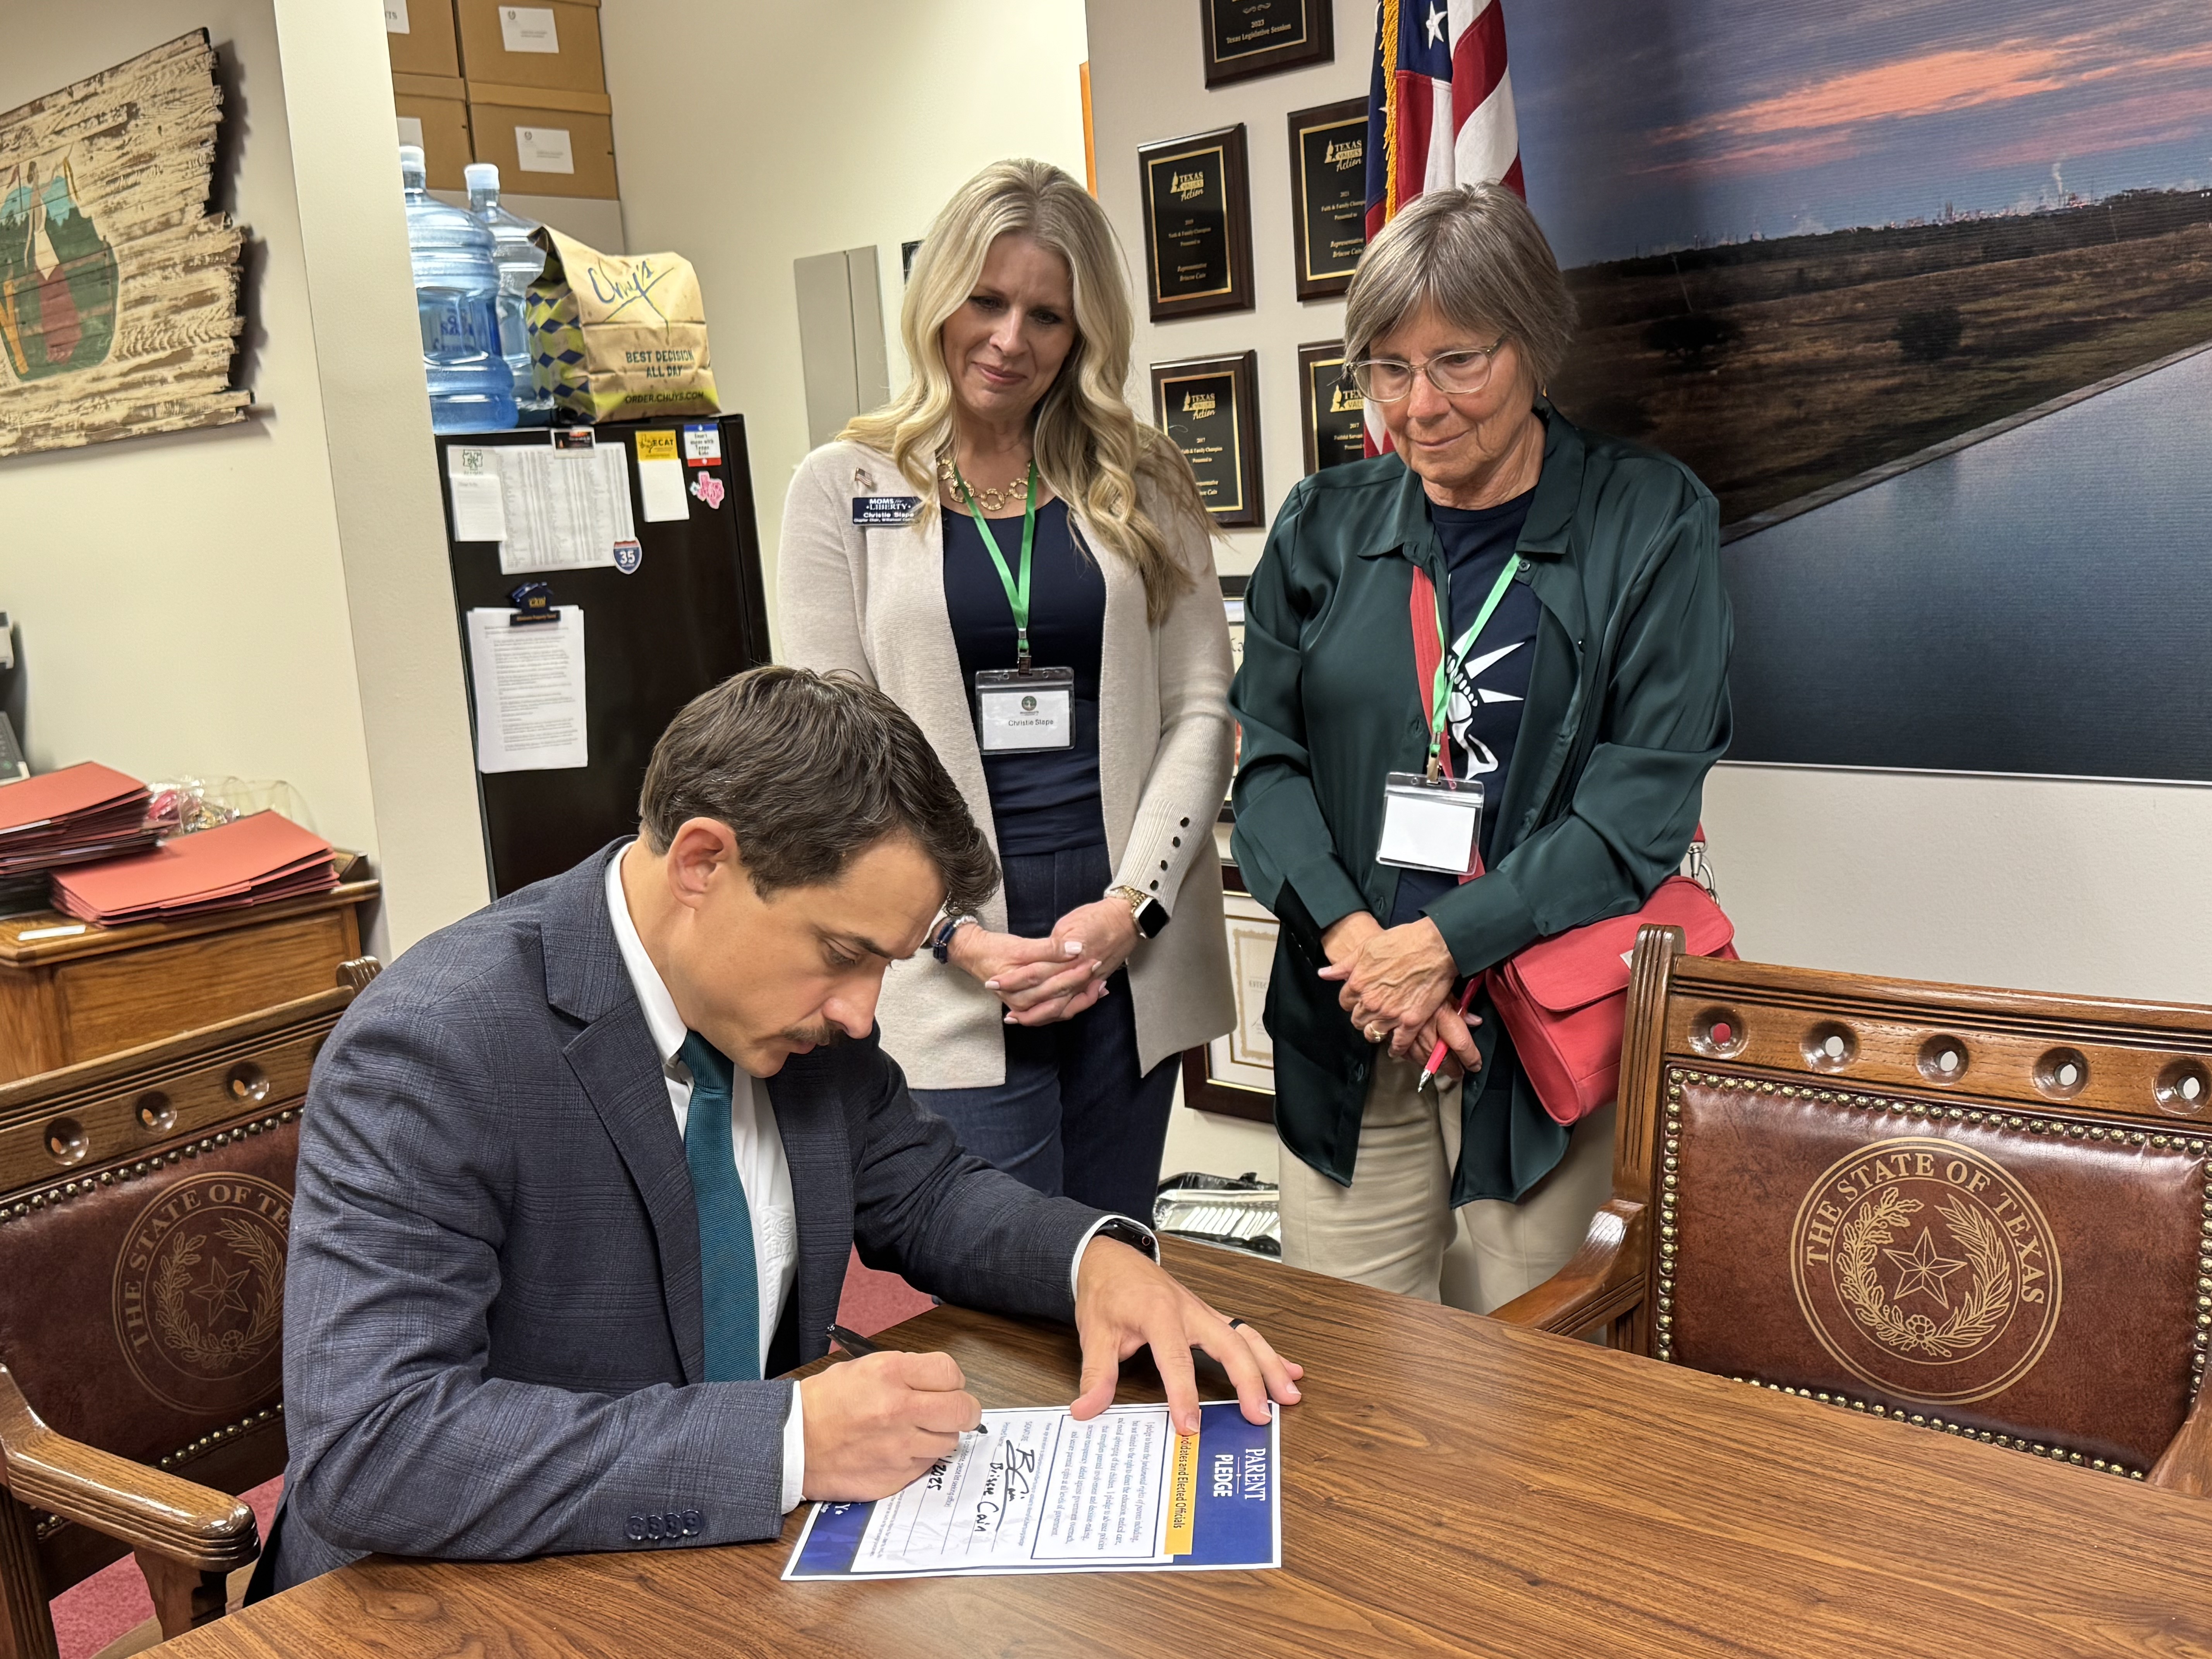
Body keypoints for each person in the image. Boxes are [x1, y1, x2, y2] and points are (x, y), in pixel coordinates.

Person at [256, 667, 1297, 1594]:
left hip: (706, 1575)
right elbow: (374, 1449)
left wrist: (1093, 1260)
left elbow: (931, 1193)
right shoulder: (433, 1047)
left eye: (885, 963)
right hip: (436, 1603)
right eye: (843, 953)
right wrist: (788, 1440)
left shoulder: (799, 1030)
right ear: (704, 862)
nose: (861, 1014)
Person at [1228, 184, 1732, 1311]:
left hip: (1543, 1031)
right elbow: (1267, 769)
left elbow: (1640, 804)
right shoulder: (1322, 524)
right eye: (1387, 369)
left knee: (1539, 1372)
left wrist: (1446, 945)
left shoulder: (1652, 520)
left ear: (1534, 344)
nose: (1420, 406)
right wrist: (1367, 948)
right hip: (1353, 1016)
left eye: (1458, 361)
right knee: (1350, 1362)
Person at [779, 158, 1234, 1223]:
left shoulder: (1142, 479)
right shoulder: (844, 488)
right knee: (995, 1270)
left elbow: (1201, 709)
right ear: (937, 296)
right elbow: (834, 754)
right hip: (950, 945)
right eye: (986, 301)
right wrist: (954, 934)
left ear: (1083, 334)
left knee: (1117, 1248)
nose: (1009, 339)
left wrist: (1131, 908)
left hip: (1124, 934)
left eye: (1047, 315)